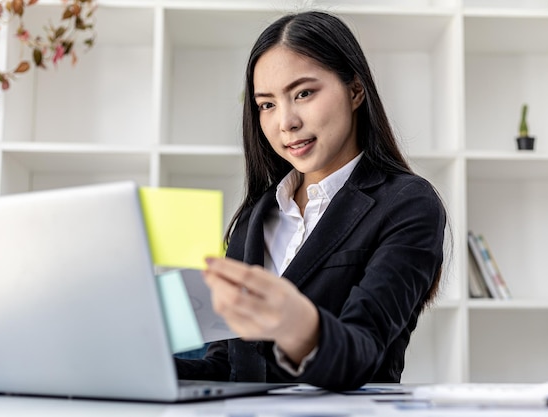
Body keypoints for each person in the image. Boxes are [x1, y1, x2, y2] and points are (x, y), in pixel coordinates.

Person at [174, 10, 447, 391]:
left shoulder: (406, 204)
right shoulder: (256, 216)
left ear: (355, 91)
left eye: (303, 93)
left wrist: (297, 325)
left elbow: (362, 351)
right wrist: (148, 363)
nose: (285, 122)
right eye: (266, 104)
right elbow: (233, 365)